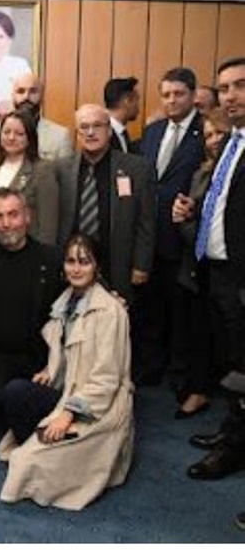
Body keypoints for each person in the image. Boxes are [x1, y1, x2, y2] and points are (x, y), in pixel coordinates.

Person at [0, 233, 134, 511]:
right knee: (14, 393)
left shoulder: (110, 311)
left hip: (97, 407)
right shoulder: (65, 300)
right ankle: (45, 444)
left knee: (26, 463)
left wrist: (68, 414)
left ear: (97, 267)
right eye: (71, 261)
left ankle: (48, 447)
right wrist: (51, 369)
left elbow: (106, 380)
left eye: (84, 261)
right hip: (67, 391)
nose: (76, 268)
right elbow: (70, 353)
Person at [177, 57, 245, 482]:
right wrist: (192, 211)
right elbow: (223, 207)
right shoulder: (232, 144)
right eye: (224, 88)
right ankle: (233, 433)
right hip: (217, 271)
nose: (231, 96)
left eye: (240, 85)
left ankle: (233, 450)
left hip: (241, 275)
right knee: (232, 363)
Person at [137, 67, 205, 386]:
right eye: (166, 95)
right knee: (150, 308)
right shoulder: (152, 131)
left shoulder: (206, 132)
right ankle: (151, 369)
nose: (172, 100)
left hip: (184, 237)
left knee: (182, 312)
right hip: (150, 235)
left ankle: (179, 375)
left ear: (192, 95)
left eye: (178, 94)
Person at [0, 189, 62, 420]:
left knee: (28, 403)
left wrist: (108, 293)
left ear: (27, 216)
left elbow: (82, 277)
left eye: (13, 214)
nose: (6, 223)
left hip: (34, 352)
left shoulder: (50, 258)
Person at [54, 103, 155, 305]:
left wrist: (141, 264)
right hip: (73, 267)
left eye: (97, 125)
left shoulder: (136, 168)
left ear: (109, 131)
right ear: (77, 134)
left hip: (118, 264)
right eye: (84, 127)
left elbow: (146, 221)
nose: (90, 132)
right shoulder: (61, 169)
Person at [173, 108, 231, 418]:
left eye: (219, 132)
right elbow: (195, 221)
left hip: (229, 268)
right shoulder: (200, 174)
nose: (213, 140)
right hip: (197, 266)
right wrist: (184, 214)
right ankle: (199, 390)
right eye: (208, 135)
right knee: (199, 332)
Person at [0, 109, 59, 244]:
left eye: (19, 134)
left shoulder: (42, 170)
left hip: (27, 250)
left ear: (30, 138)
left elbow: (48, 224)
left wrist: (45, 253)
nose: (11, 138)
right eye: (6, 132)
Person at [0, 73, 73, 169]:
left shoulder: (60, 135)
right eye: (20, 91)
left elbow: (66, 175)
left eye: (33, 92)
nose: (26, 97)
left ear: (42, 96)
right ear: (13, 96)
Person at [104, 77, 141, 154]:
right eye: (137, 100)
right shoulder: (104, 134)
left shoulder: (121, 133)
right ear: (127, 101)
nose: (138, 106)